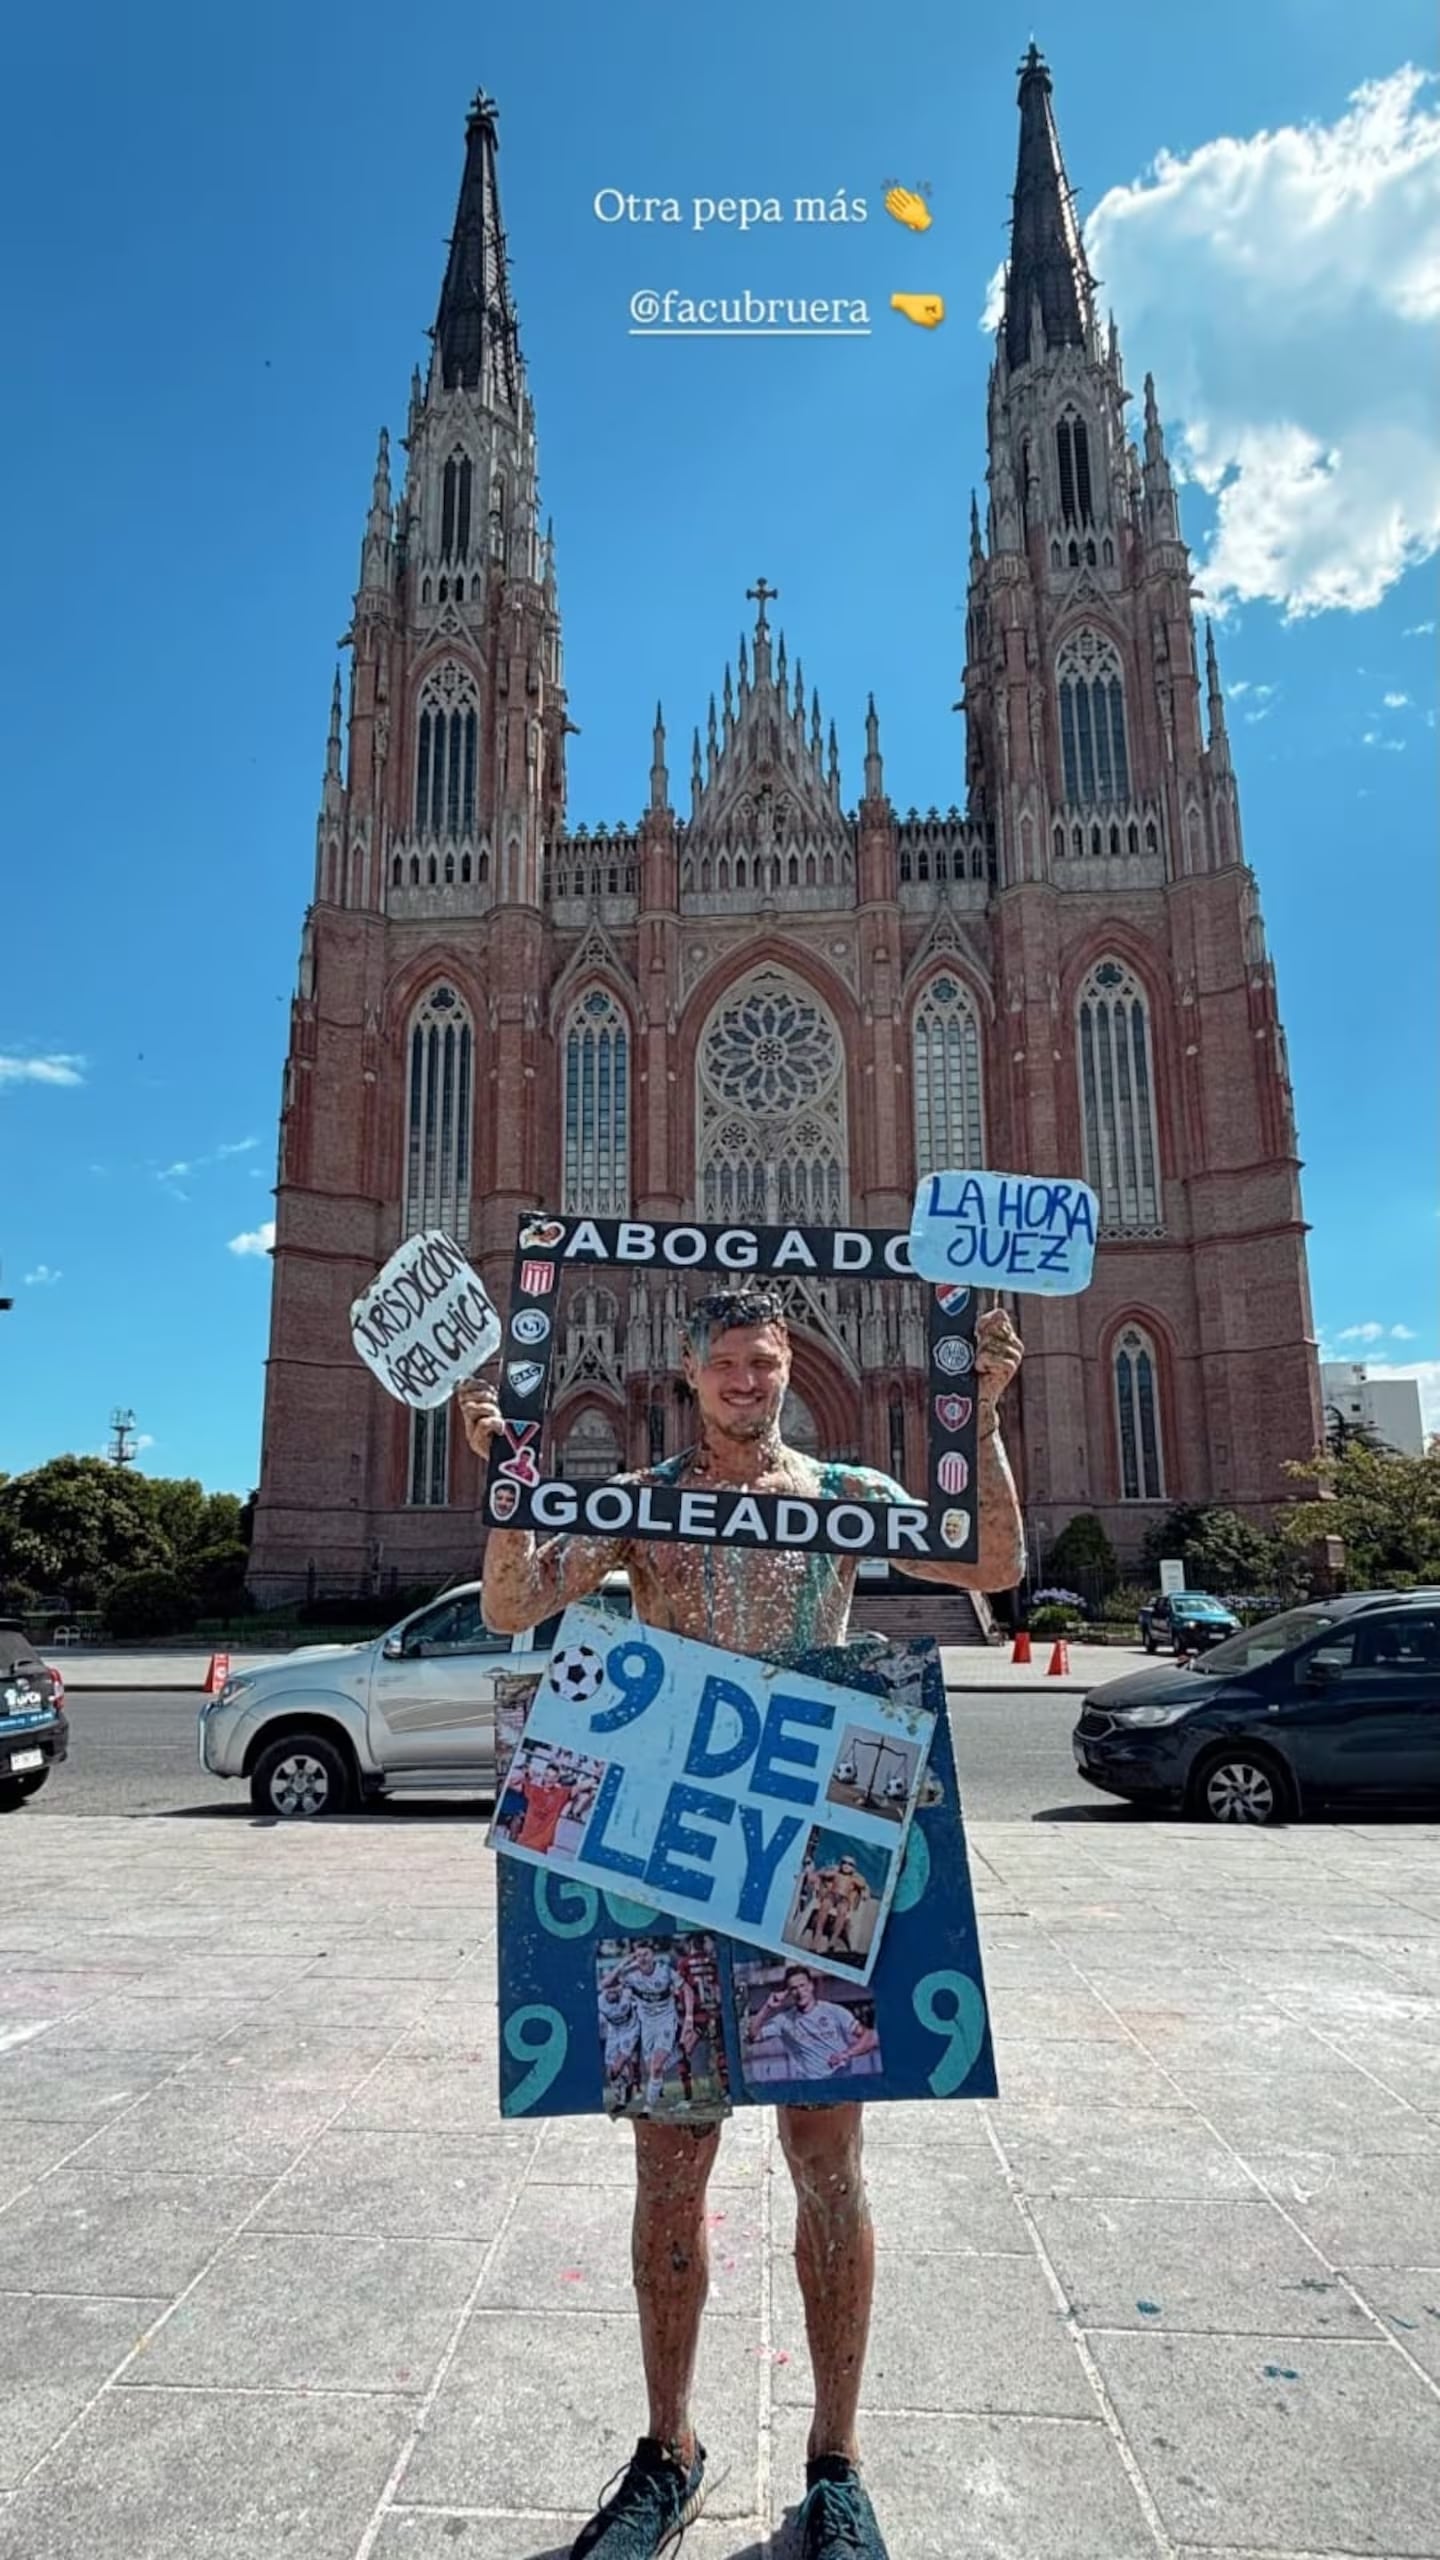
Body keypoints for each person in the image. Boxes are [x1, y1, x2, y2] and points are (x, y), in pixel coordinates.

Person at [460, 1283, 1023, 2560]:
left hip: (813, 1855)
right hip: (668, 1860)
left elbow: (990, 1561)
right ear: (691, 1369)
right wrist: (503, 1469)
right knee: (670, 2172)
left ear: (789, 1367)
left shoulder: (836, 1489)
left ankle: (837, 2464)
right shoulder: (643, 1497)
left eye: (764, 1361)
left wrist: (982, 1411)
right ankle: (669, 2450)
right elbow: (511, 1607)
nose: (747, 1380)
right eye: (726, 1362)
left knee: (829, 2165)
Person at [745, 1963, 881, 2082]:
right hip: (810, 2085)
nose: (799, 1992)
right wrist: (767, 2007)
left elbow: (870, 2037)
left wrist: (846, 2054)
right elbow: (752, 2036)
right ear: (789, 1992)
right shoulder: (784, 2020)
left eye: (802, 1986)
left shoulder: (833, 2011)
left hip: (840, 2079)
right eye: (794, 1988)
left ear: (811, 1986)